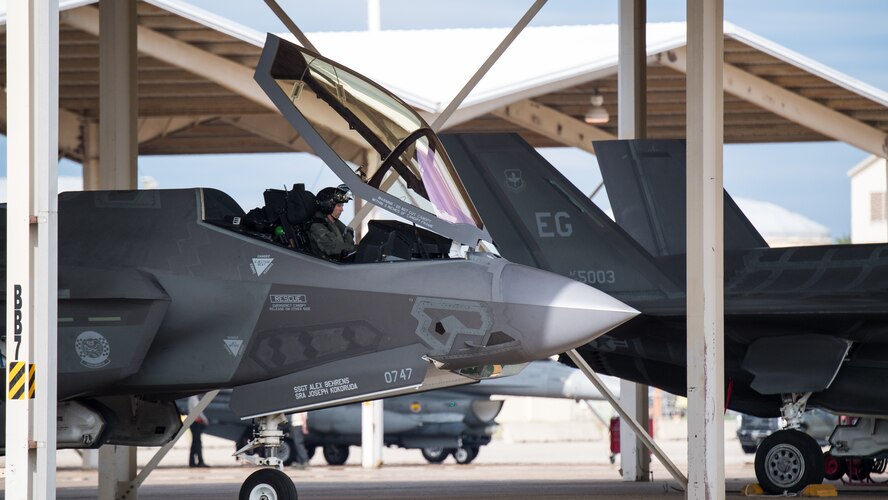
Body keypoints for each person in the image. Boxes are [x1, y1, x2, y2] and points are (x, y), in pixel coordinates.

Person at [308, 185, 356, 261]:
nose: (342, 210)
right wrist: (356, 248)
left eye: (342, 206)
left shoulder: (334, 223)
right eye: (339, 206)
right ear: (328, 205)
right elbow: (332, 248)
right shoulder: (316, 226)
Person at [187, 395, 209, 467]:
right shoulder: (194, 398)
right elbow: (198, 411)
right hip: (196, 423)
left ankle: (192, 462)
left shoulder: (192, 398)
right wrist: (205, 420)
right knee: (197, 443)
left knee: (194, 443)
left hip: (193, 423)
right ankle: (200, 461)